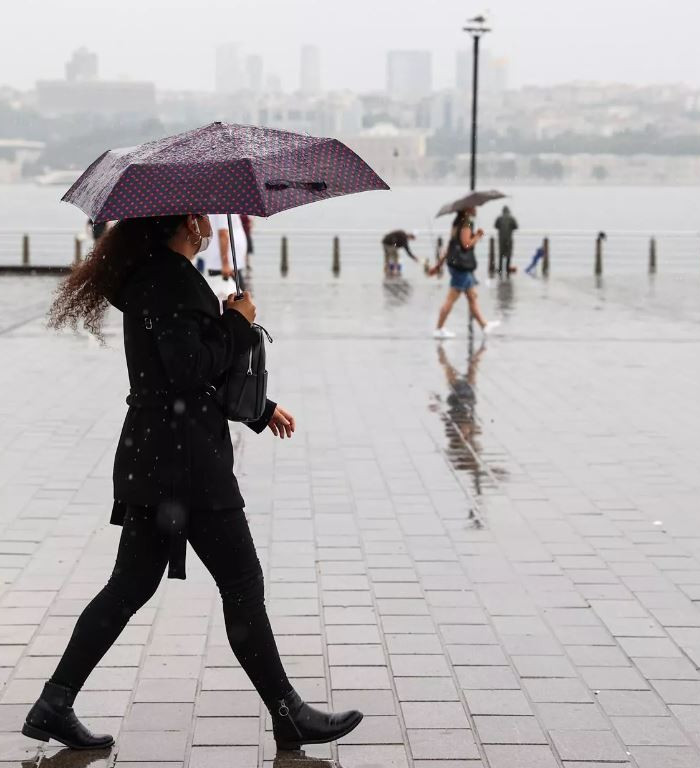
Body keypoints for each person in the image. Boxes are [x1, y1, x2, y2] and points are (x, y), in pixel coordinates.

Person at [38, 214, 362, 753]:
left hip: (155, 456)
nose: (211, 222)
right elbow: (189, 370)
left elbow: (185, 372)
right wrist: (237, 322)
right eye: (204, 215)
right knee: (242, 584)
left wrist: (260, 410)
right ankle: (289, 713)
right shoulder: (171, 281)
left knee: (129, 586)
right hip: (188, 466)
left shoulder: (153, 276)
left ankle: (55, 701)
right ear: (190, 221)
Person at [429, 207, 499, 339]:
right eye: (474, 207)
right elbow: (466, 244)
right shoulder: (466, 223)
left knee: (472, 297)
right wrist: (477, 236)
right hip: (461, 267)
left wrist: (439, 265)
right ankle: (438, 328)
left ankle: (484, 325)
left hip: (456, 265)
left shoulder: (457, 223)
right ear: (468, 209)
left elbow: (451, 246)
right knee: (451, 299)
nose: (476, 209)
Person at [199, 214, 248, 297]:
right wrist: (225, 263)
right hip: (226, 265)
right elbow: (223, 234)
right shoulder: (223, 210)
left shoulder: (226, 207)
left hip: (228, 263)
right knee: (238, 299)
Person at [494, 206, 519, 275]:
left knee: (501, 254)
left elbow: (496, 226)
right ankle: (507, 269)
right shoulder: (511, 218)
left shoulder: (499, 218)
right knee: (508, 254)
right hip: (509, 239)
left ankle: (500, 269)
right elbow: (516, 226)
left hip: (501, 239)